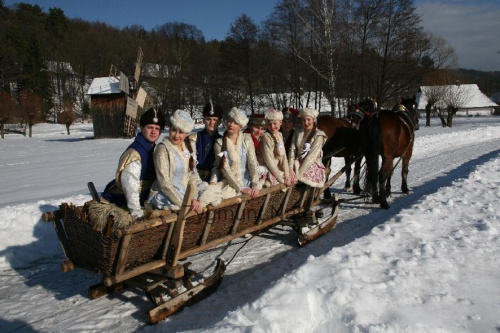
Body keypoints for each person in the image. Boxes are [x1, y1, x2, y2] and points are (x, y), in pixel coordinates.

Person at [101, 107, 165, 219]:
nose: (153, 132)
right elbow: (130, 188)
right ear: (141, 128)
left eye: (157, 128)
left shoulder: (155, 150)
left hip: (144, 197)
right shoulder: (135, 154)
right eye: (150, 127)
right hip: (122, 201)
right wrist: (137, 214)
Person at [200, 107, 261, 207]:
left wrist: (255, 185)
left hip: (247, 179)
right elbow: (224, 168)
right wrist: (240, 187)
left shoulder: (247, 139)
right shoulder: (219, 143)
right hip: (230, 181)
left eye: (235, 123)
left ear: (240, 126)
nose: (231, 125)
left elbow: (252, 163)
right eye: (229, 121)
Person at [148, 110, 204, 213]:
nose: (176, 135)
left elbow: (191, 174)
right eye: (174, 130)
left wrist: (193, 198)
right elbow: (164, 183)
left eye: (181, 132)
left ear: (186, 133)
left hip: (184, 192)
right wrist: (183, 204)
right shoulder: (163, 149)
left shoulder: (187, 148)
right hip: (167, 195)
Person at [288, 107, 328, 188]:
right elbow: (292, 149)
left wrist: (298, 175)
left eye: (308, 119)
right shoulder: (298, 131)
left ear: (314, 119)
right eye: (303, 120)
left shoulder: (319, 135)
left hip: (311, 164)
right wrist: (290, 168)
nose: (306, 122)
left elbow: (311, 157)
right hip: (297, 161)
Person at [257, 108, 293, 187]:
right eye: (269, 124)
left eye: (275, 123)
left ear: (280, 123)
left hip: (275, 168)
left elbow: (283, 157)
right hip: (266, 167)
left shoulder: (279, 135)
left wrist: (287, 174)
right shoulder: (265, 137)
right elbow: (269, 161)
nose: (272, 126)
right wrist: (281, 179)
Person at [189, 101, 223, 181]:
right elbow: (190, 163)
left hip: (216, 178)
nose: (211, 122)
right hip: (195, 177)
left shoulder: (222, 141)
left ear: (219, 122)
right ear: (203, 120)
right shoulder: (194, 138)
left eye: (215, 119)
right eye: (208, 119)